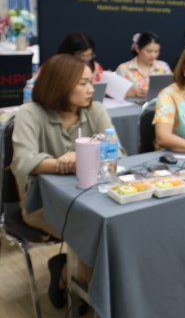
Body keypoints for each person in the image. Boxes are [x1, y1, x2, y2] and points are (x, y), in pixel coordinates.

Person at [12, 54, 125, 309]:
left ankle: (68, 274)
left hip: (93, 198)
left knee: (117, 231)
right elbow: (24, 161)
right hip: (42, 203)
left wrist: (82, 158)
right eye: (83, 83)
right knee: (94, 235)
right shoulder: (30, 113)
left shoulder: (95, 110)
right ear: (59, 84)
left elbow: (117, 152)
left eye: (91, 82)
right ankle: (81, 285)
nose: (91, 89)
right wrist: (66, 163)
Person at [115, 32, 172, 99]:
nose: (153, 55)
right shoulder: (124, 69)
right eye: (149, 51)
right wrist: (134, 94)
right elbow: (114, 94)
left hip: (160, 103)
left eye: (156, 51)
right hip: (132, 104)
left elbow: (172, 89)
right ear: (137, 49)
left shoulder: (163, 66)